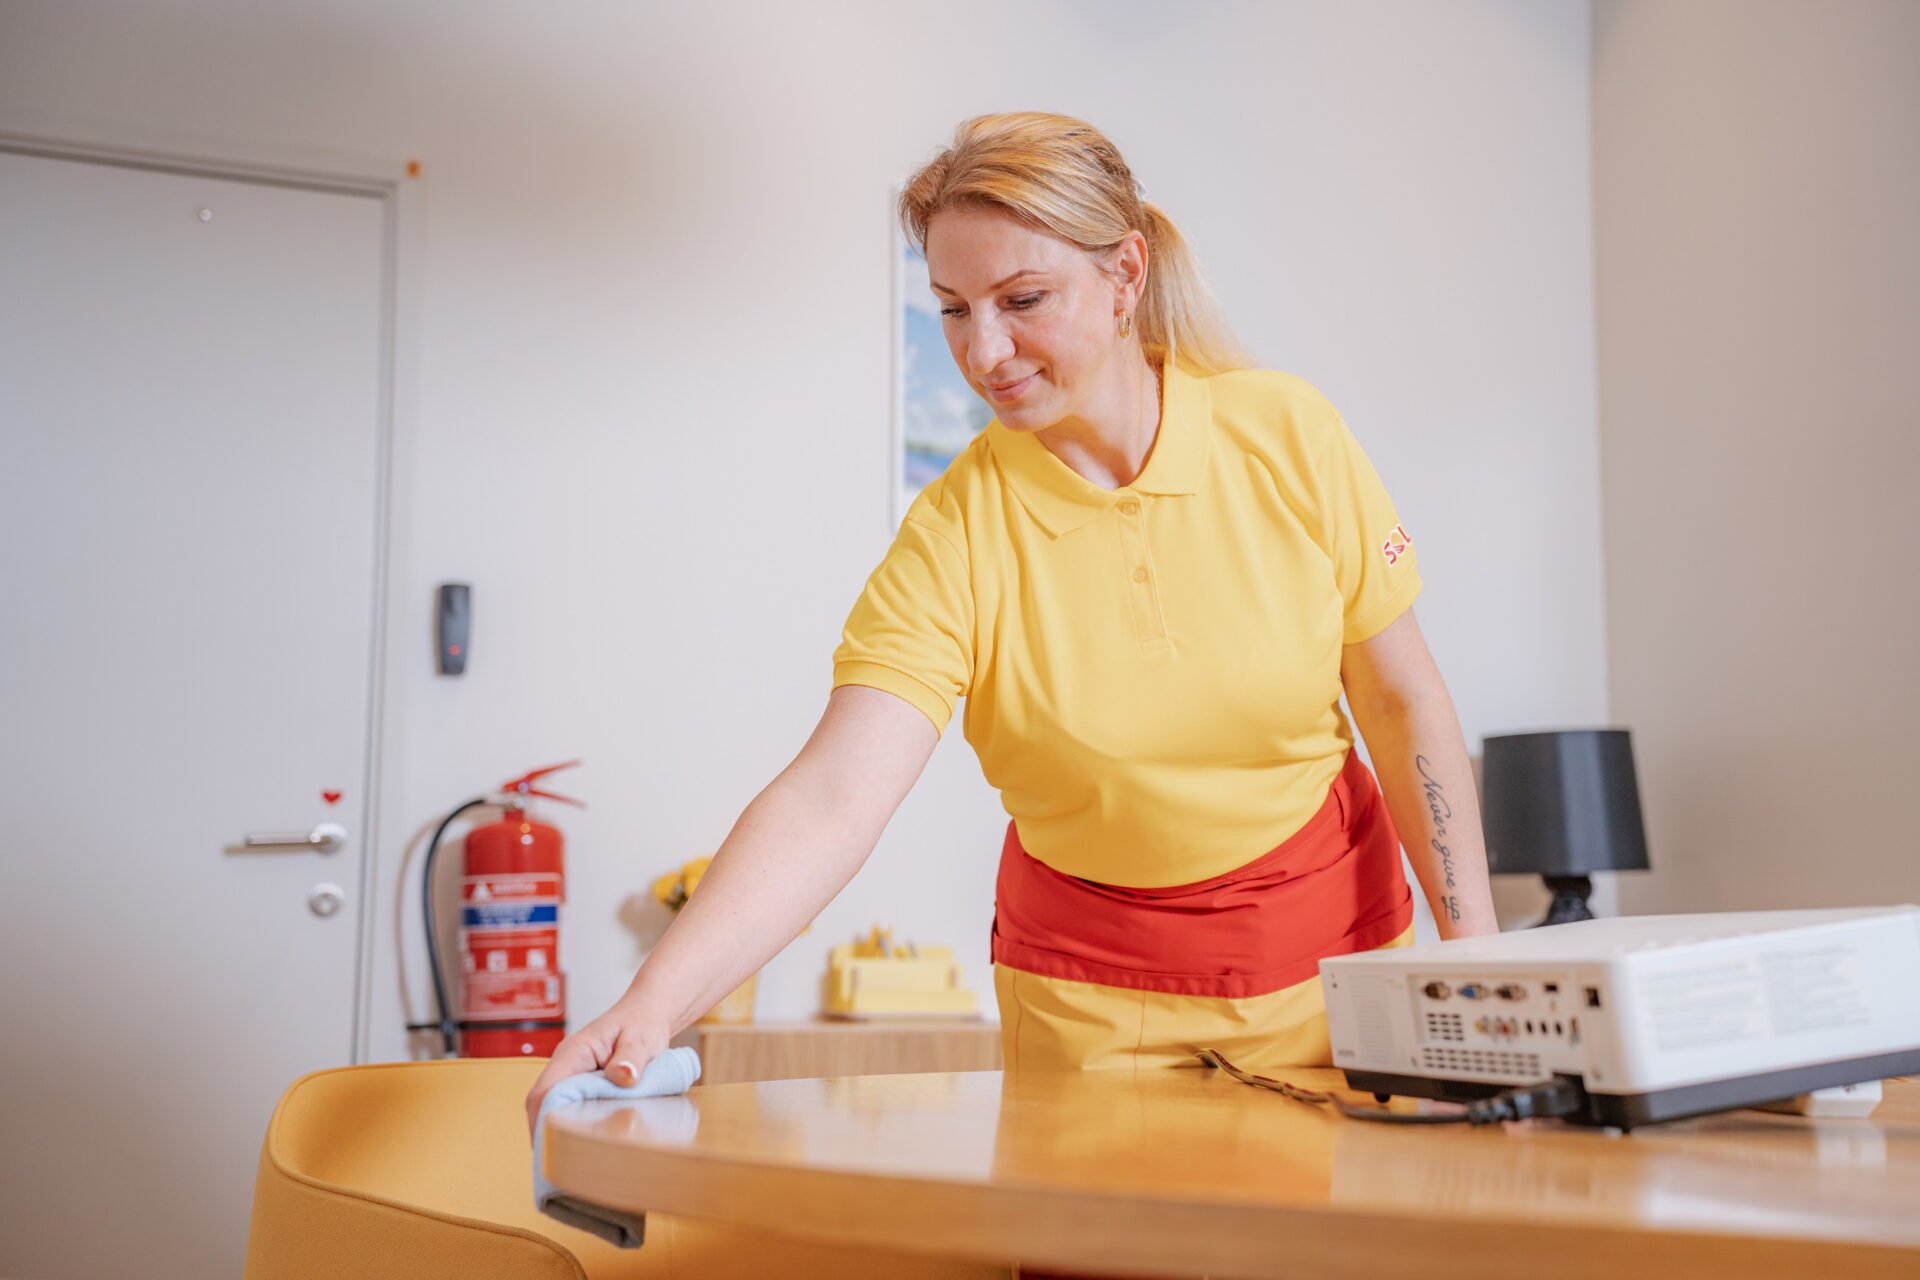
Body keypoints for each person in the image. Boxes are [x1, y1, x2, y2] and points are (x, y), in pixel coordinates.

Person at [527, 112, 1497, 1125]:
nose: (983, 350)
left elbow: (1400, 699)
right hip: (1091, 1000)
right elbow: (833, 797)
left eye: (1022, 300)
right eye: (953, 309)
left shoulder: (1288, 435)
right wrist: (648, 1007)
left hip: (1335, 965)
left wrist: (1477, 964)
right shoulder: (955, 530)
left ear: (1125, 275)